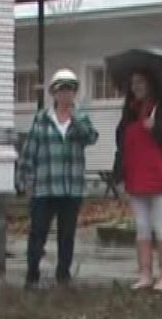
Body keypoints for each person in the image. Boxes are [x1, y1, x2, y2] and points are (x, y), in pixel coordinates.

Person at [15, 69, 99, 289]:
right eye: (62, 90)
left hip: (71, 187)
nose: (66, 95)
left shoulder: (81, 118)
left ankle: (63, 275)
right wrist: (24, 178)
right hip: (45, 186)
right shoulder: (42, 119)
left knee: (67, 235)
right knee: (38, 233)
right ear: (54, 93)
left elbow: (91, 138)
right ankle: (32, 274)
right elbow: (30, 149)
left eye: (70, 90)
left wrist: (76, 120)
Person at [113, 68, 162, 292]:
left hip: (160, 179)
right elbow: (121, 146)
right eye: (133, 82)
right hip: (136, 178)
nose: (136, 87)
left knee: (161, 226)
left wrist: (157, 128)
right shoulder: (129, 111)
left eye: (140, 82)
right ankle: (145, 274)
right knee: (142, 227)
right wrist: (118, 175)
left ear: (151, 84)